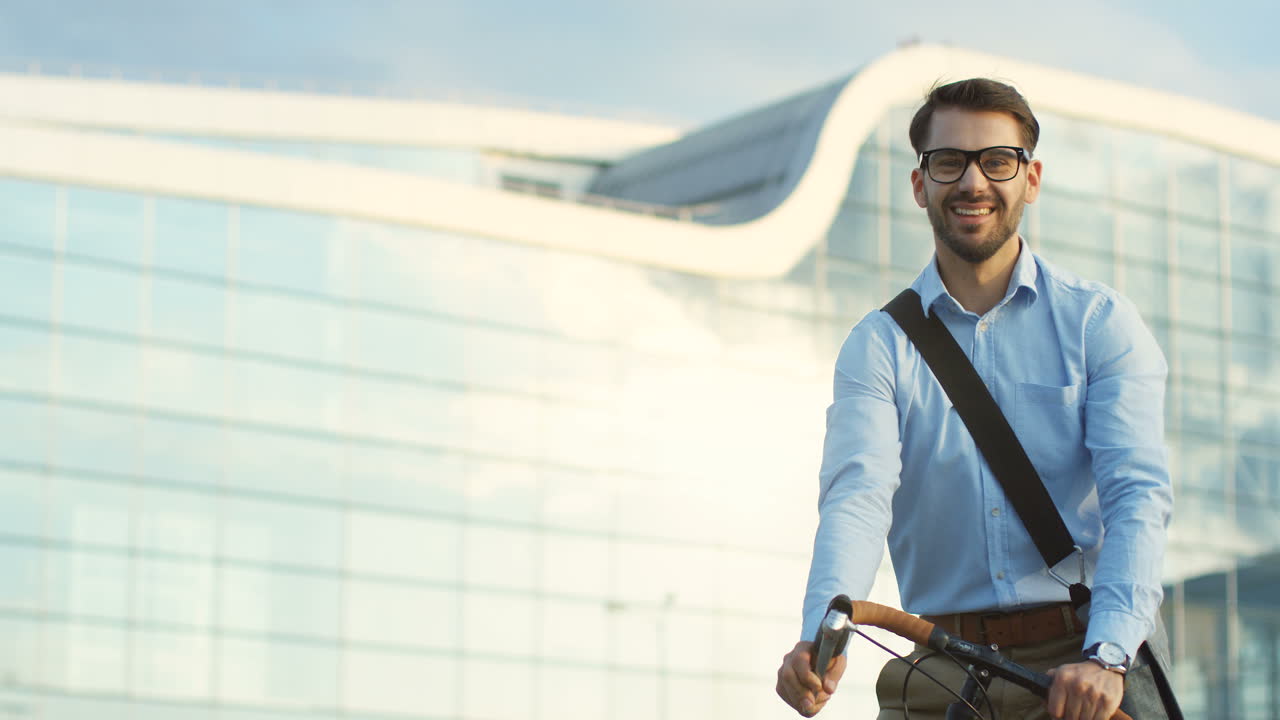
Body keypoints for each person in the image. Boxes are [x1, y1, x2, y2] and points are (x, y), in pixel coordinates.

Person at [774, 79, 1174, 720]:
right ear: (919, 183)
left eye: (997, 160)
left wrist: (1107, 655)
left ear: (1031, 178)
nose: (973, 182)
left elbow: (1137, 497)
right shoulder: (877, 347)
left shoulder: (1099, 323)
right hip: (938, 666)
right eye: (949, 162)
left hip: (1081, 663)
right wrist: (821, 635)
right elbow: (857, 496)